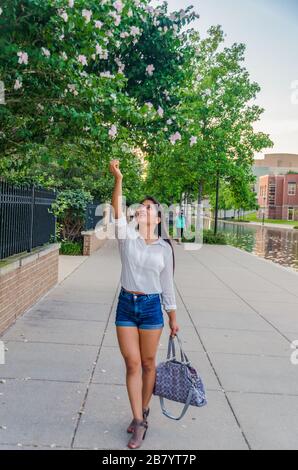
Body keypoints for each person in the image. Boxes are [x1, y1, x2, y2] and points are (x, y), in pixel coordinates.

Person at [109, 159, 179, 449]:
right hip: (127, 304)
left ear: (158, 218)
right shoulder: (128, 238)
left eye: (148, 207)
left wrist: (173, 317)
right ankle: (138, 421)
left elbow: (167, 286)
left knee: (149, 364)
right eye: (141, 206)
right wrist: (118, 178)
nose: (142, 208)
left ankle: (144, 409)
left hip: (152, 308)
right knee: (133, 363)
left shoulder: (164, 250)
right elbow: (116, 208)